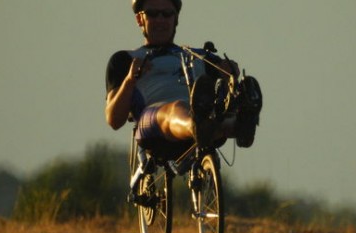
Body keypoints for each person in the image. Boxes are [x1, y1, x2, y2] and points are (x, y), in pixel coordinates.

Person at [105, 0, 262, 156]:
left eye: (167, 14)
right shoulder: (126, 59)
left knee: (219, 106)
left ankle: (239, 123)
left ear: (176, 19)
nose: (160, 20)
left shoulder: (198, 56)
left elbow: (228, 73)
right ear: (140, 19)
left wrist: (229, 72)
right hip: (154, 122)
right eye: (152, 14)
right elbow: (114, 120)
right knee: (177, 108)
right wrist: (130, 80)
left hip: (200, 113)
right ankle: (199, 125)